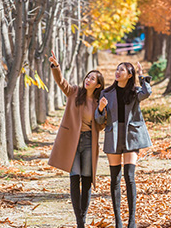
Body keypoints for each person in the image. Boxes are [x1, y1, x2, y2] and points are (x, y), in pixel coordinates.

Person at [47, 50, 105, 228]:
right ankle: (80, 222)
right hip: (72, 141)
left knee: (86, 180)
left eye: (92, 79)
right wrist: (56, 67)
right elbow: (61, 82)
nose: (88, 80)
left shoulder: (99, 102)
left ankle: (83, 218)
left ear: (98, 85)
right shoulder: (74, 92)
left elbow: (101, 125)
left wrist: (102, 110)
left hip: (89, 142)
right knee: (74, 177)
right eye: (88, 77)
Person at [95, 62, 152, 228]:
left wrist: (142, 77)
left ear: (129, 75)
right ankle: (118, 221)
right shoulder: (106, 92)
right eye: (117, 69)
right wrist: (100, 108)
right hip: (113, 136)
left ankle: (132, 221)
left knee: (129, 176)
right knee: (115, 178)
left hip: (131, 135)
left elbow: (147, 92)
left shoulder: (135, 92)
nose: (118, 72)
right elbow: (99, 120)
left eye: (122, 70)